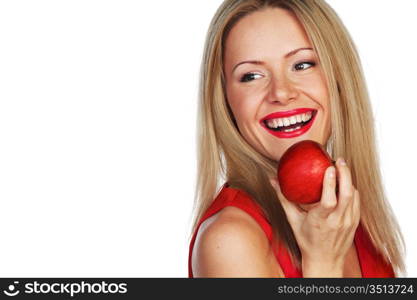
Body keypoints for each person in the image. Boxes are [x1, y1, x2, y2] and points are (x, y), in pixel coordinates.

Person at [188, 0, 405, 278]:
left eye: (302, 65)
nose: (281, 92)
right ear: (225, 100)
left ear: (338, 78)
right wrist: (323, 265)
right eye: (251, 75)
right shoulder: (231, 241)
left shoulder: (341, 215)